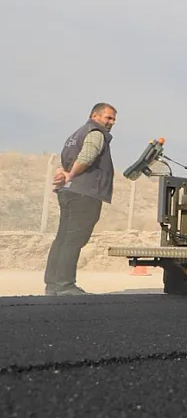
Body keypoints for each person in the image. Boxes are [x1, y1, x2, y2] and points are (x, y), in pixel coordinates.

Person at [42, 103, 118, 296]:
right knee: (74, 240)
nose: (111, 122)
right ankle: (65, 285)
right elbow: (86, 157)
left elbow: (67, 159)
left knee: (63, 238)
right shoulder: (95, 133)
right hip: (84, 193)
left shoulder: (75, 134)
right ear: (95, 115)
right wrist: (70, 175)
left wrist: (63, 174)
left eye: (113, 119)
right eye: (108, 118)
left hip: (69, 192)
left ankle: (52, 284)